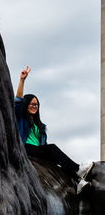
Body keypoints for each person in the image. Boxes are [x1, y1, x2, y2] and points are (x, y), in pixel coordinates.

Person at [15, 66, 92, 194]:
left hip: (37, 150)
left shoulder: (41, 126)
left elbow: (42, 145)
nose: (34, 106)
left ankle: (78, 181)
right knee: (52, 148)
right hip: (25, 148)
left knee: (59, 161)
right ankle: (79, 169)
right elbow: (18, 101)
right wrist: (22, 80)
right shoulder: (21, 119)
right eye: (31, 104)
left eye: (36, 104)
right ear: (26, 105)